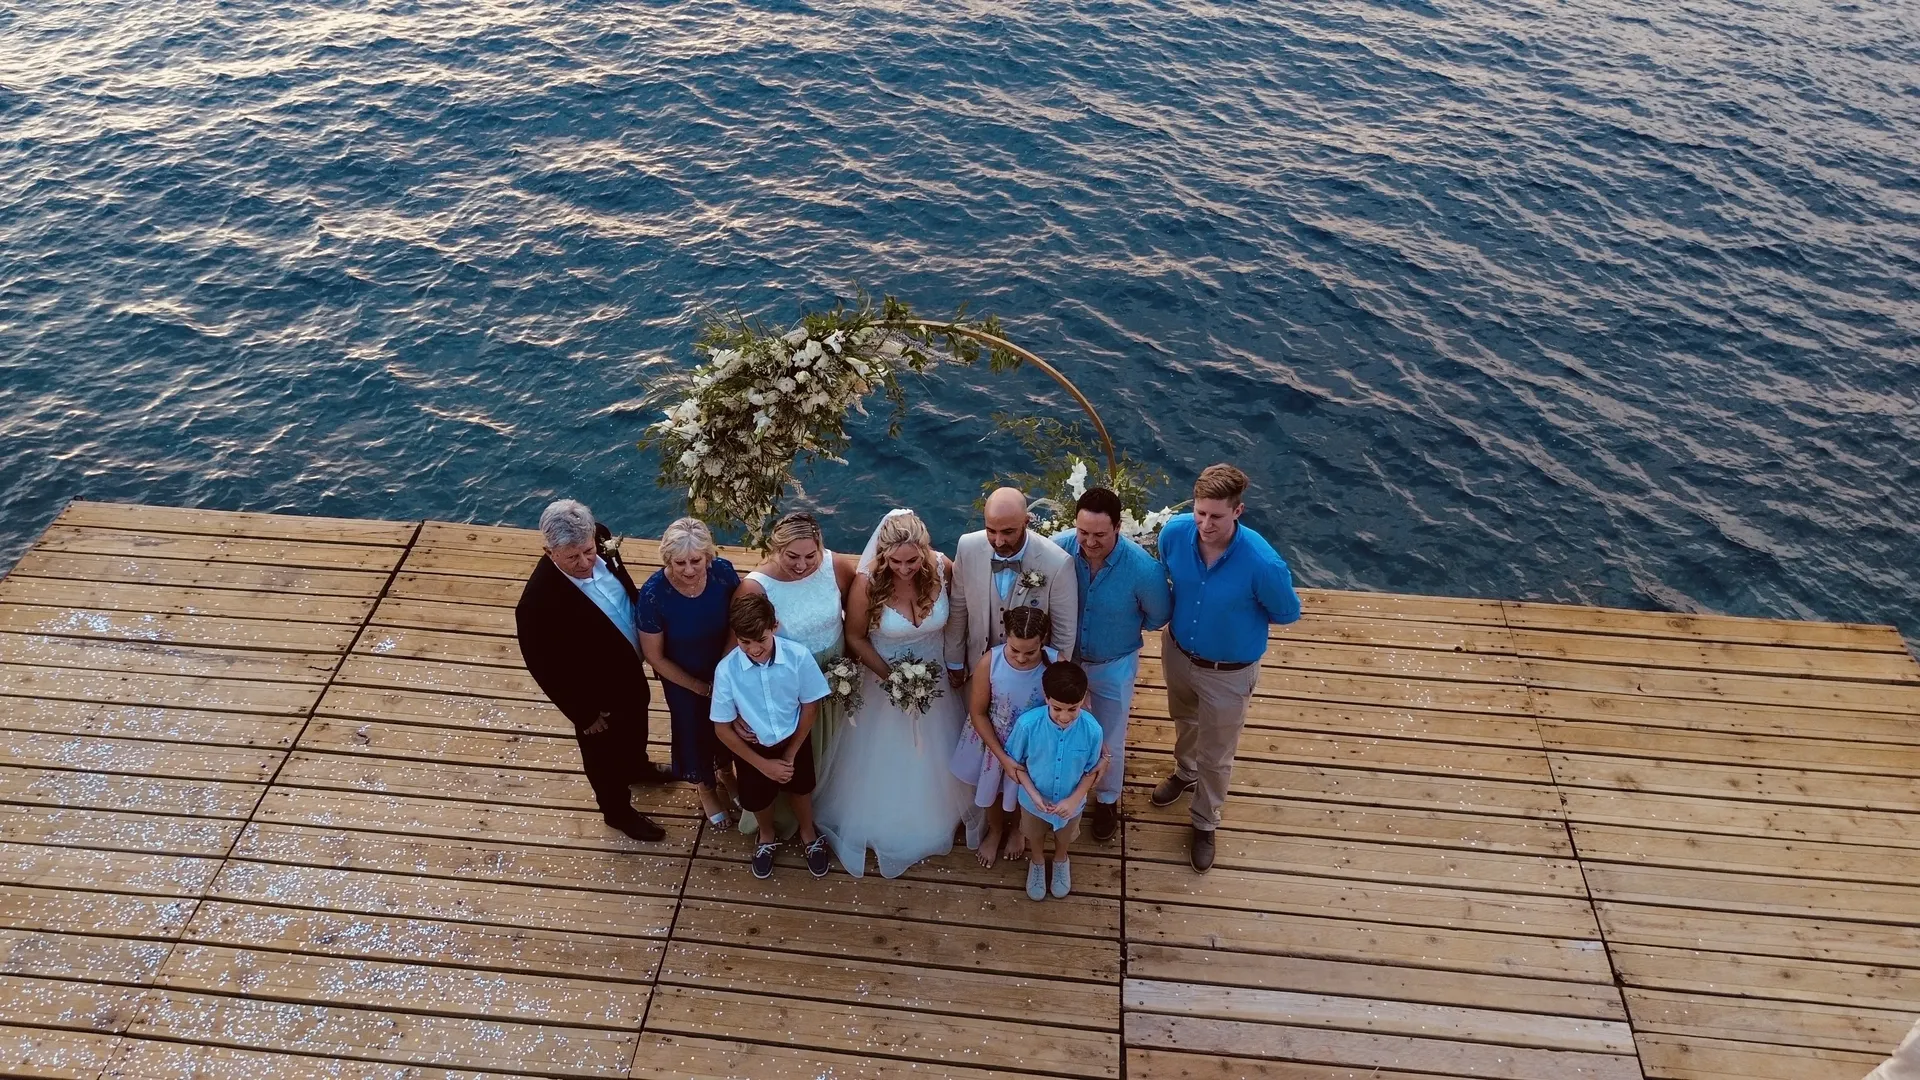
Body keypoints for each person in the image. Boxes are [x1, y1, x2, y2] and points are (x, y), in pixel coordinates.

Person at [1149, 463, 1302, 873]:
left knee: (1218, 754)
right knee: (1183, 719)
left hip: (1229, 671)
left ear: (1238, 511)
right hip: (1179, 653)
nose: (1204, 523)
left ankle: (1205, 821)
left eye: (1216, 516)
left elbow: (1287, 612)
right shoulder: (1174, 534)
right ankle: (1185, 772)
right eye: (1200, 512)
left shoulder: (1263, 564)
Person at [812, 509, 974, 878]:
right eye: (896, 561)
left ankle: (944, 810)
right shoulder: (868, 583)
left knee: (939, 749)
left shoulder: (943, 567)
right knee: (886, 755)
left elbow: (959, 619)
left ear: (926, 551)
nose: (905, 568)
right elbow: (855, 637)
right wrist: (893, 678)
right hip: (884, 681)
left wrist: (953, 664)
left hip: (935, 678)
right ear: (883, 555)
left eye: (913, 560)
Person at [513, 498, 673, 843]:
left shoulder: (599, 536)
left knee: (637, 720)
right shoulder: (537, 604)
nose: (586, 562)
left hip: (631, 669)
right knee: (602, 756)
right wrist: (583, 714)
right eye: (573, 557)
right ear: (549, 551)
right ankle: (617, 812)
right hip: (596, 695)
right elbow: (543, 666)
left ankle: (637, 766)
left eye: (588, 551)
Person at [1054, 486, 1171, 842]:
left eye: (1099, 535)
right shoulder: (1058, 550)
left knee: (1110, 736)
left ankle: (1107, 799)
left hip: (1113, 663)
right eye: (1083, 532)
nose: (1088, 542)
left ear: (1118, 527)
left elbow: (1159, 616)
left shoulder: (1143, 570)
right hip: (1066, 659)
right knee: (1058, 725)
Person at [708, 593, 833, 880]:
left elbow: (810, 705)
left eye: (760, 640)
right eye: (744, 642)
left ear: (774, 626)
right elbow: (722, 728)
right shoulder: (727, 670)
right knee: (759, 800)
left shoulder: (797, 657)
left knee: (801, 789)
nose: (753, 649)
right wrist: (762, 765)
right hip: (753, 751)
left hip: (793, 741)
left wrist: (790, 755)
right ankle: (766, 836)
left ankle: (807, 832)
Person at [636, 517, 741, 827]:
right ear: (668, 559)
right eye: (679, 562)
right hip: (682, 677)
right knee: (693, 730)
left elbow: (739, 618)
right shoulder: (654, 594)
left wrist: (723, 670)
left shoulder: (723, 574)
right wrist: (698, 687)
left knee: (728, 723)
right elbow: (655, 657)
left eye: (696, 560)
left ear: (708, 555)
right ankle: (705, 787)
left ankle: (725, 771)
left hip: (723, 664)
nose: (689, 569)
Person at [737, 511, 857, 775]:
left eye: (810, 556)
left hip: (836, 674)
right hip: (788, 684)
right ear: (775, 548)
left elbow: (857, 617)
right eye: (792, 556)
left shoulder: (837, 567)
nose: (802, 565)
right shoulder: (756, 587)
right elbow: (739, 649)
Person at [950, 607, 1055, 867]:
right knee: (993, 790)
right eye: (1014, 649)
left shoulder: (1055, 664)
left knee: (1025, 791)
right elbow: (978, 712)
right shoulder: (991, 662)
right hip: (994, 742)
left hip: (1033, 745)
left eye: (1030, 652)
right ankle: (996, 829)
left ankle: (1019, 828)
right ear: (1006, 638)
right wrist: (1001, 756)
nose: (1020, 658)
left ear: (1043, 641)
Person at [946, 487, 1077, 689]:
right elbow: (958, 608)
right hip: (977, 667)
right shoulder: (967, 547)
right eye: (991, 531)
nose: (998, 541)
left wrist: (1054, 679)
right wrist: (954, 660)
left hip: (1031, 675)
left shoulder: (1057, 563)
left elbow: (1063, 631)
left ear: (1026, 522)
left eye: (1008, 532)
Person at [1006, 661, 1108, 901]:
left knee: (1065, 836)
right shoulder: (1027, 725)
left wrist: (1074, 800)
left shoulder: (1092, 730)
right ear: (1046, 698)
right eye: (1057, 708)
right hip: (1033, 800)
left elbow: (1091, 771)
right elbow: (1016, 764)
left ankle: (1061, 859)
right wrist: (1033, 794)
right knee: (1034, 834)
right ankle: (1038, 861)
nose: (1065, 717)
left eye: (1073, 709)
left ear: (1083, 698)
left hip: (1072, 803)